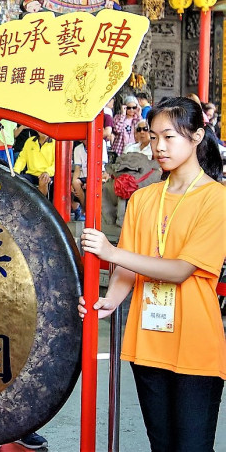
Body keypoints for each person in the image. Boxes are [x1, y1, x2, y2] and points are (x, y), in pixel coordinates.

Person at [79, 97, 225, 452]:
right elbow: (127, 267)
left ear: (197, 136)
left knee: (192, 447)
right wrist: (107, 301)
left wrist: (111, 252)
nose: (159, 146)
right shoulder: (144, 199)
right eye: (154, 136)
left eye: (169, 137)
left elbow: (181, 270)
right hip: (148, 341)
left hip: (195, 346)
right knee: (160, 445)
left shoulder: (216, 199)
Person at [13, 131, 55, 197]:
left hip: (47, 174)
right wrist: (15, 172)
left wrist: (47, 172)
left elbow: (56, 163)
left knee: (43, 180)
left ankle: (38, 206)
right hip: (31, 174)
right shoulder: (30, 141)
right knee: (17, 181)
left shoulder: (55, 143)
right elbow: (22, 159)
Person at [111, 95, 142, 159]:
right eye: (129, 108)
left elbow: (142, 131)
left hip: (134, 150)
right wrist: (123, 115)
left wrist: (139, 114)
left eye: (134, 107)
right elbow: (117, 130)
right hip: (120, 150)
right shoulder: (118, 117)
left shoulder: (137, 119)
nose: (131, 110)